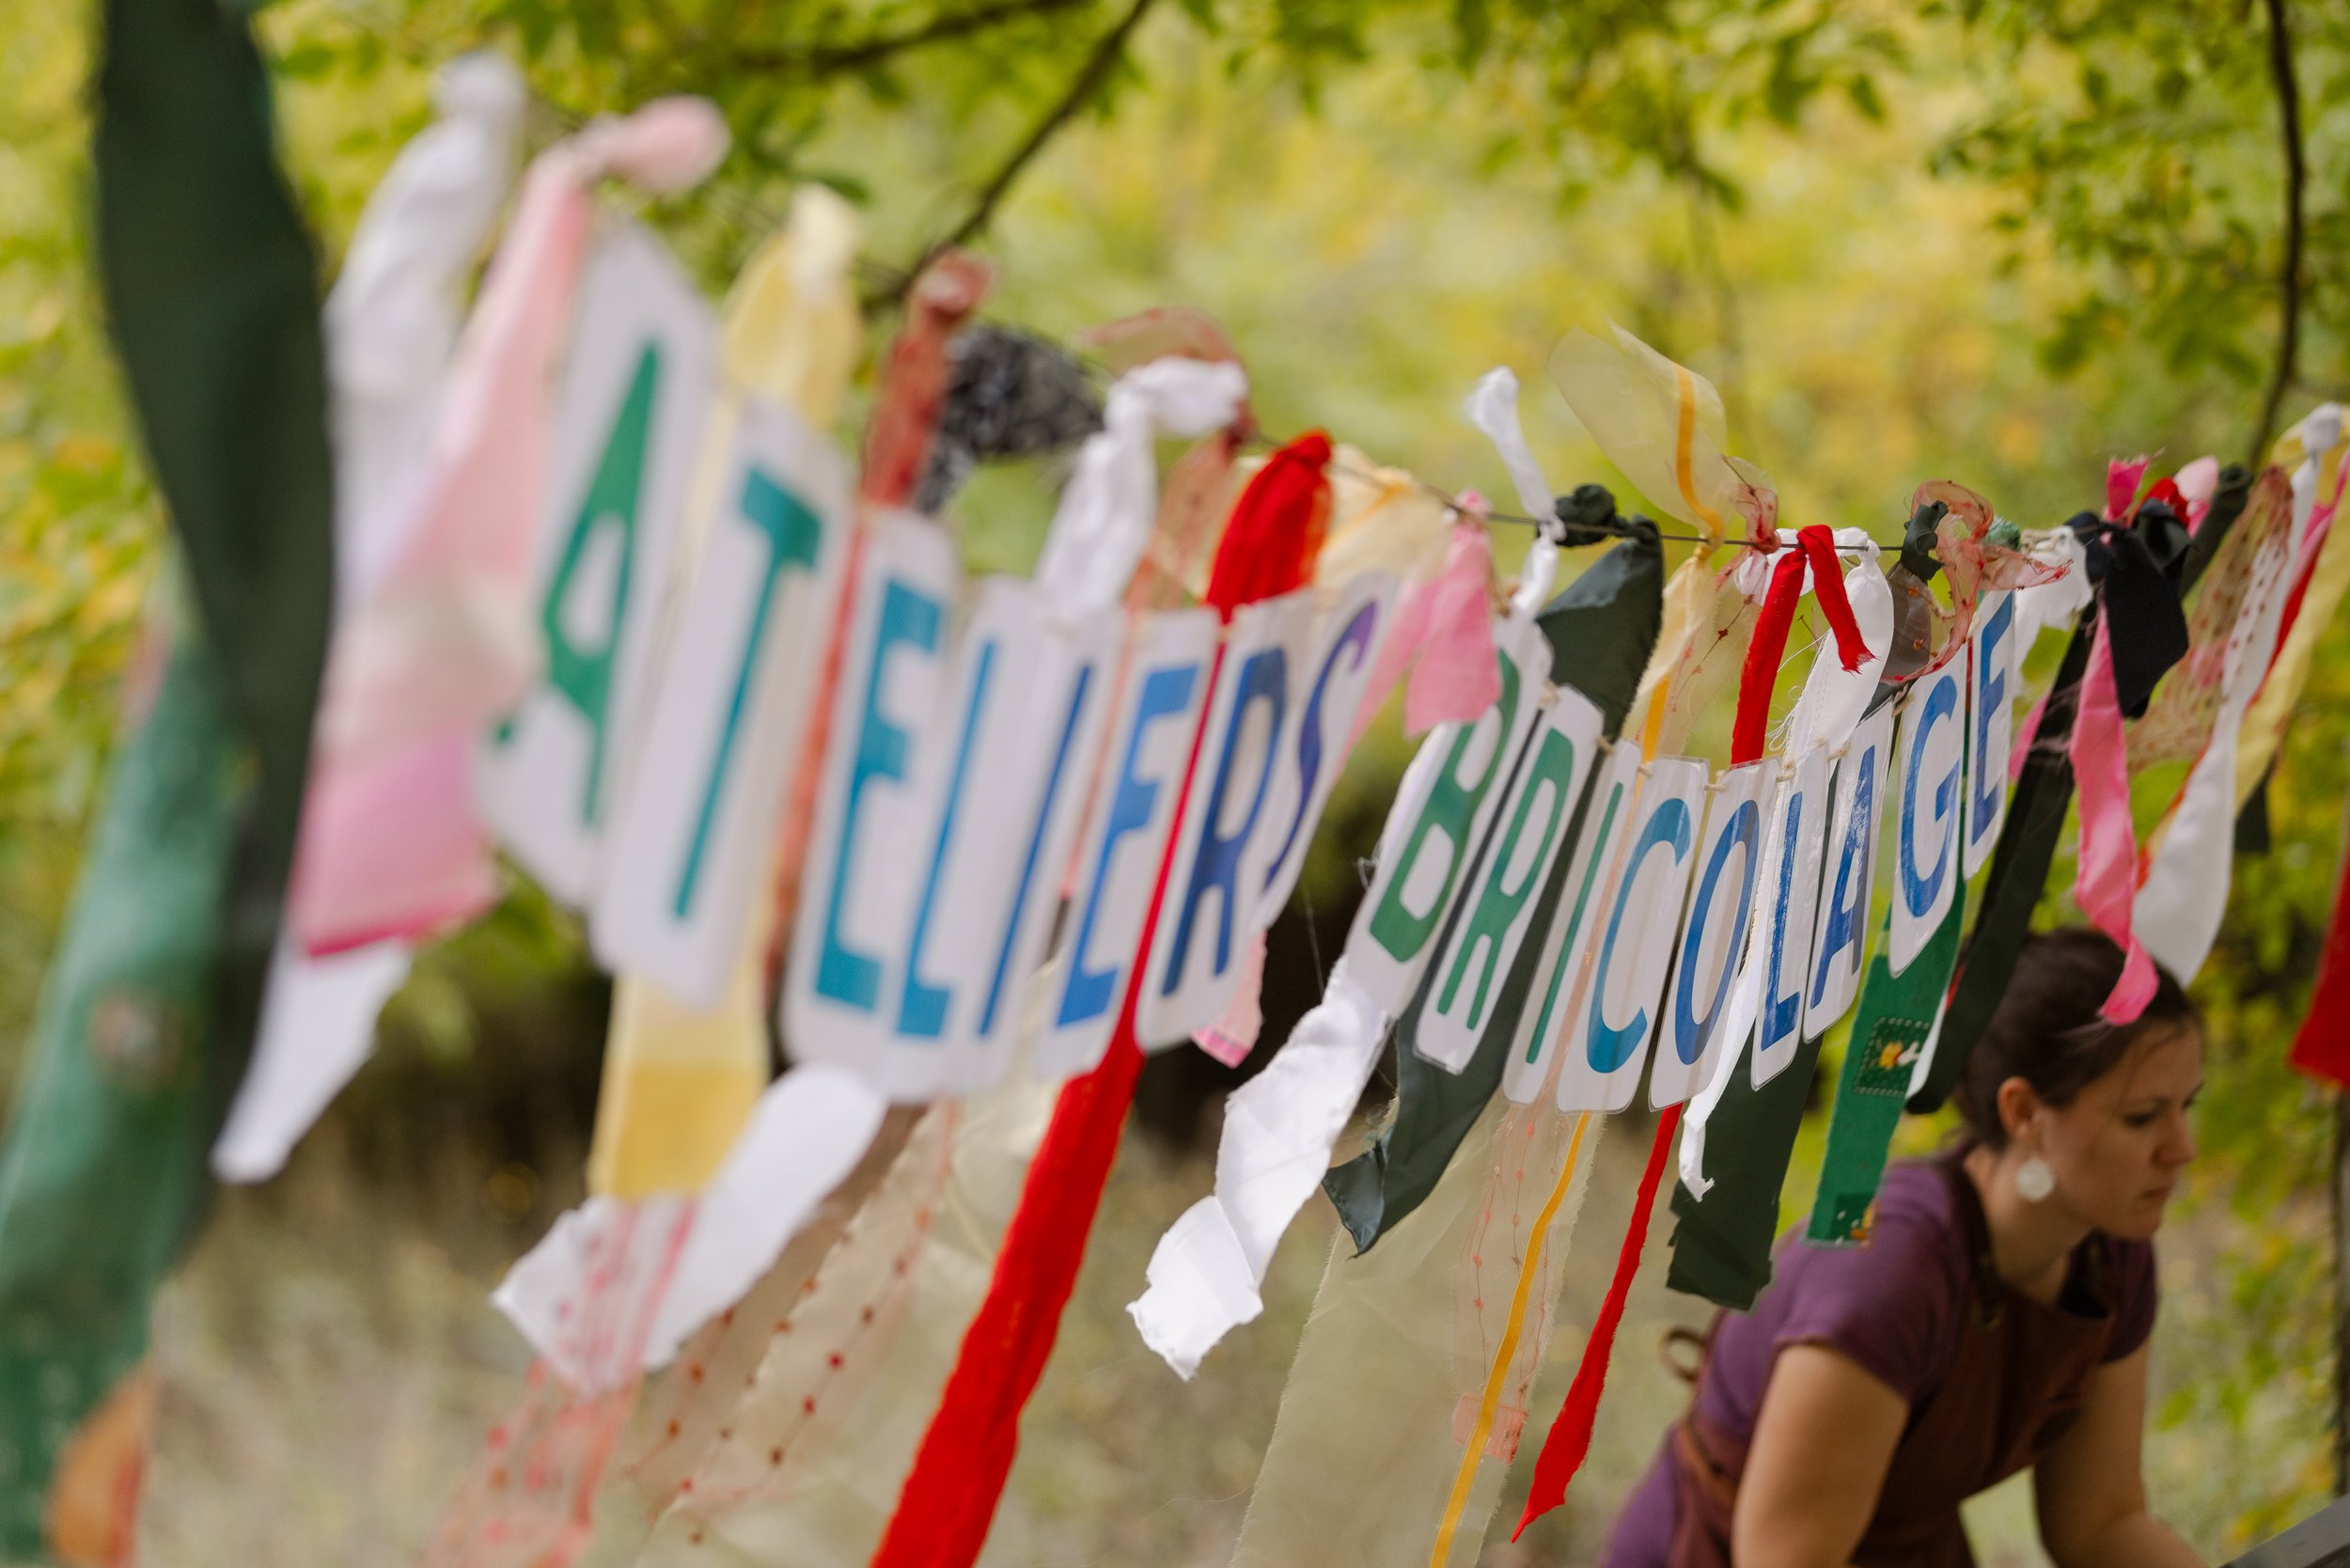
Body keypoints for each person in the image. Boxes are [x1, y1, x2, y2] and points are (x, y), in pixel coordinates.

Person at [1600, 928, 2206, 1567]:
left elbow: (2102, 1527)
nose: (2182, 1147)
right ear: (2024, 1111)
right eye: (2143, 1116)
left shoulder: (2108, 1257)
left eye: (2186, 1106)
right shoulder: (1887, 1276)